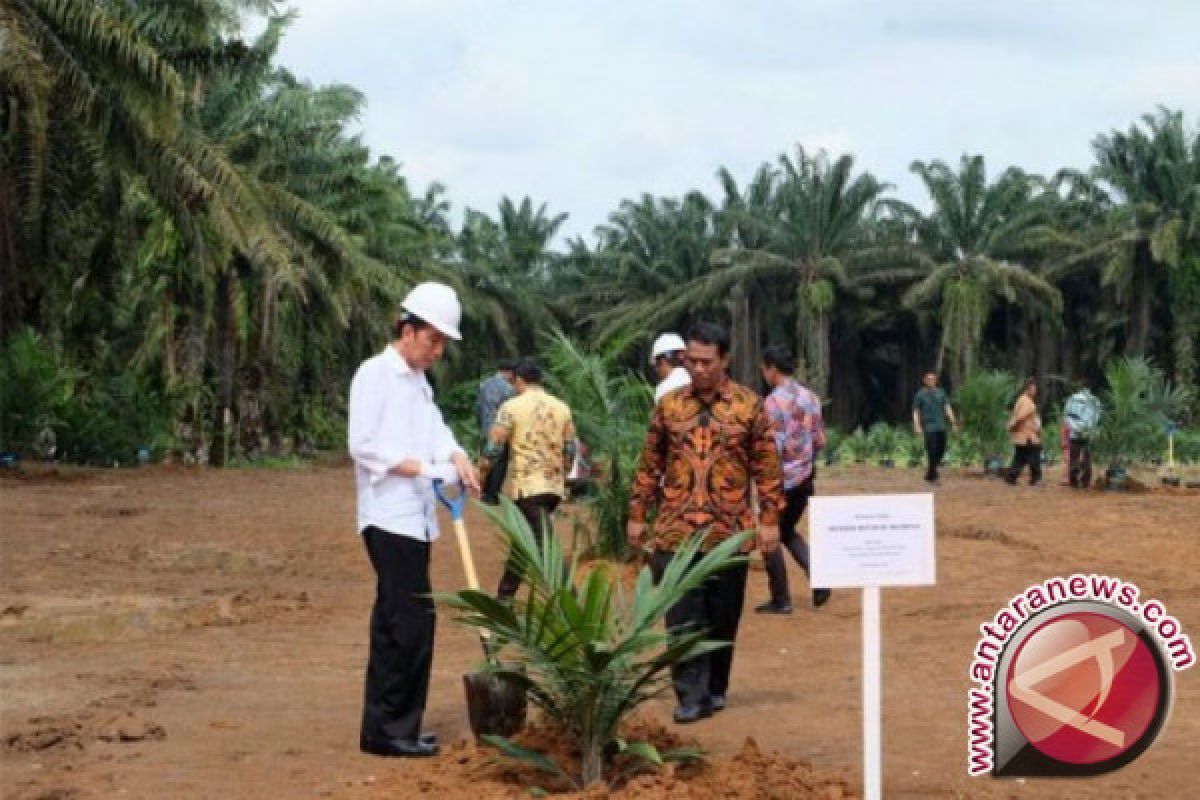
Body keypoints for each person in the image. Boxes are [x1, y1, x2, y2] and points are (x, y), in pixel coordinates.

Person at [347, 282, 481, 759]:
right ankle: (389, 731)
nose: (438, 350)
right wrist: (427, 469)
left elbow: (435, 429)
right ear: (407, 329)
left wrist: (457, 456)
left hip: (418, 519)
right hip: (389, 517)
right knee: (405, 623)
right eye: (433, 339)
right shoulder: (375, 375)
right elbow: (362, 446)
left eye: (443, 342)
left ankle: (394, 726)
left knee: (407, 620)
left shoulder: (419, 384)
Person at [627, 322, 782, 724]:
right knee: (681, 617)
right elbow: (649, 463)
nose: (698, 369)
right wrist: (637, 514)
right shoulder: (670, 406)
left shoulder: (750, 406)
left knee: (723, 614)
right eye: (691, 361)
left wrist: (769, 521)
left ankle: (715, 687)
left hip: (728, 532)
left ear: (725, 359)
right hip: (676, 532)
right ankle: (689, 695)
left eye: (706, 361)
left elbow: (767, 468)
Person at [480, 358, 576, 600]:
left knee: (546, 548)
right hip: (552, 488)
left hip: (528, 488)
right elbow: (571, 449)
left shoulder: (511, 407)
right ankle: (504, 602)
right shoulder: (562, 407)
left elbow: (493, 449)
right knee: (523, 546)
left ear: (519, 380)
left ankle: (574, 606)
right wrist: (562, 476)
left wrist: (480, 474)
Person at [754, 345, 831, 614]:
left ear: (772, 370)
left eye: (764, 369)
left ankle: (781, 599)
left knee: (769, 535)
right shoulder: (811, 398)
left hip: (781, 481)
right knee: (785, 531)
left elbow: (771, 450)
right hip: (806, 479)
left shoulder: (772, 403)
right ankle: (820, 580)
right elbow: (820, 440)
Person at [477, 360, 516, 504]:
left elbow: (478, 407)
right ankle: (493, 494)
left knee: (486, 458)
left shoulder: (484, 384)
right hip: (500, 429)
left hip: (486, 427)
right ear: (509, 373)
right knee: (500, 461)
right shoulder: (509, 389)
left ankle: (485, 491)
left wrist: (480, 425)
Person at [912, 371, 958, 484]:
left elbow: (947, 407)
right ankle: (934, 477)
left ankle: (930, 473)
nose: (930, 381)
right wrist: (917, 425)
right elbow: (916, 411)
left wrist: (953, 422)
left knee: (941, 449)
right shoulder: (920, 394)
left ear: (936, 381)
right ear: (924, 380)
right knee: (932, 450)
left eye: (933, 379)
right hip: (929, 427)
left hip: (941, 426)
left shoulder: (941, 393)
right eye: (928, 379)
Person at [1005, 378, 1043, 486]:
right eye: (1033, 389)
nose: (1035, 391)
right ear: (1028, 389)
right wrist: (1012, 425)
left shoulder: (1021, 399)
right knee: (1034, 456)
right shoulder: (1027, 402)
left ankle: (1011, 477)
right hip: (1027, 436)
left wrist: (1012, 425)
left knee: (1019, 458)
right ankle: (1036, 478)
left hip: (1022, 436)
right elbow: (1021, 416)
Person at [1063, 385, 1101, 489]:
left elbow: (1067, 416)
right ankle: (1085, 482)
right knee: (1087, 459)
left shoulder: (1072, 399)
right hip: (1087, 434)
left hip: (1074, 434)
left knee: (1074, 457)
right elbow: (1097, 418)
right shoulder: (1095, 401)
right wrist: (1087, 429)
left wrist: (1075, 428)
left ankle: (1073, 482)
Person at [651, 332, 691, 403]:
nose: (657, 371)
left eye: (655, 366)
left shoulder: (664, 388)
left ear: (662, 361)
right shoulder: (696, 380)